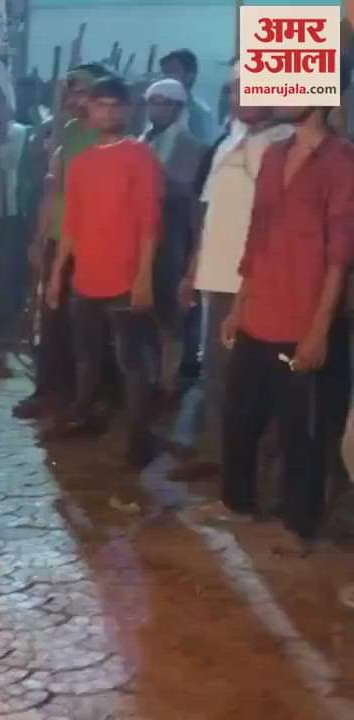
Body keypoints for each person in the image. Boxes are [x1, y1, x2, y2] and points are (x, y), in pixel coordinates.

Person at [198, 102, 354, 549]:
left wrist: (319, 329)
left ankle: (300, 527)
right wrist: (239, 305)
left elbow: (340, 257)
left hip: (304, 318)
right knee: (240, 416)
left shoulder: (342, 162)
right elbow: (256, 236)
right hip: (259, 311)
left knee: (300, 431)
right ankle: (237, 503)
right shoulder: (273, 155)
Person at [46, 76, 163, 468]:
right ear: (89, 110)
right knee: (87, 357)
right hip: (86, 278)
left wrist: (144, 276)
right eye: (101, 104)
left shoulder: (140, 156)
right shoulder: (79, 163)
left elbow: (150, 222)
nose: (108, 111)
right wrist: (58, 272)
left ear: (127, 111)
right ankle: (84, 414)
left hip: (126, 278)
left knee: (131, 363)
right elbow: (72, 224)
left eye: (115, 105)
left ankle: (139, 436)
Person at [177, 82, 292, 479]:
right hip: (217, 276)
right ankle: (217, 452)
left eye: (249, 90)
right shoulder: (227, 142)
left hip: (261, 278)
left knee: (261, 376)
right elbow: (209, 214)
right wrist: (194, 268)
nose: (239, 98)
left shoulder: (287, 143)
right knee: (215, 369)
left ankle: (262, 460)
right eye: (234, 91)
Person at [14, 63, 110, 420]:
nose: (73, 99)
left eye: (81, 92)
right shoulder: (67, 133)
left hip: (90, 244)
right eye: (71, 92)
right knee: (50, 319)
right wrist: (39, 238)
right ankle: (50, 390)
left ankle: (84, 399)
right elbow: (51, 191)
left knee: (83, 327)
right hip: (58, 238)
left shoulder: (107, 137)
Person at [141, 78, 205, 401]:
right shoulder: (143, 140)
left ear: (179, 108)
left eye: (165, 102)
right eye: (153, 101)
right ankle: (150, 379)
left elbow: (187, 191)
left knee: (171, 311)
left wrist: (151, 179)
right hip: (143, 235)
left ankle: (169, 380)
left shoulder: (191, 145)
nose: (157, 108)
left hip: (174, 234)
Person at [0, 83, 31, 343]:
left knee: (9, 266)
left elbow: (15, 164)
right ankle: (0, 318)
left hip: (14, 211)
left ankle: (13, 320)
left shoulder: (23, 132)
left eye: (0, 103)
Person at [159, 49, 218, 145]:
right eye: (164, 72)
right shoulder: (154, 111)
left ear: (189, 76)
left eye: (171, 72)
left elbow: (202, 152)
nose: (165, 77)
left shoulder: (197, 114)